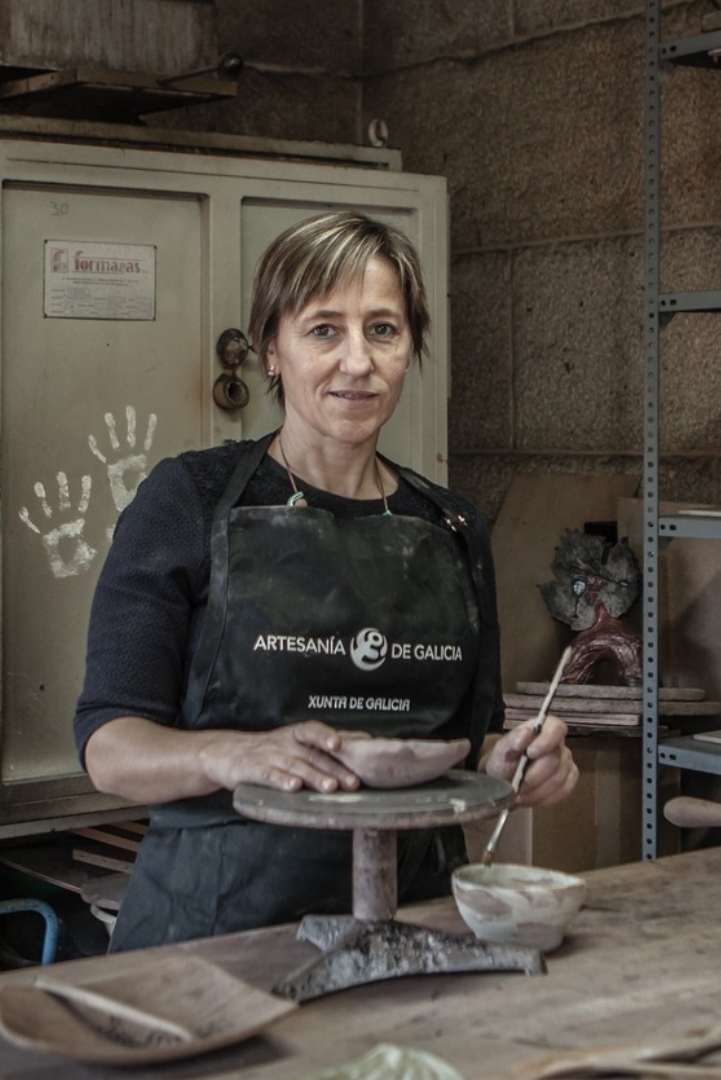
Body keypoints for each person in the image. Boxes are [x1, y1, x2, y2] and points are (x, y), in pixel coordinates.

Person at [74, 210, 580, 951]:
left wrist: (511, 762)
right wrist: (227, 753)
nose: (357, 361)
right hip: (219, 926)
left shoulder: (452, 528)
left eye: (383, 329)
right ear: (271, 351)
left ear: (410, 349)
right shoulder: (192, 500)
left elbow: (467, 744)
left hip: (414, 920)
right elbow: (108, 745)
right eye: (323, 330)